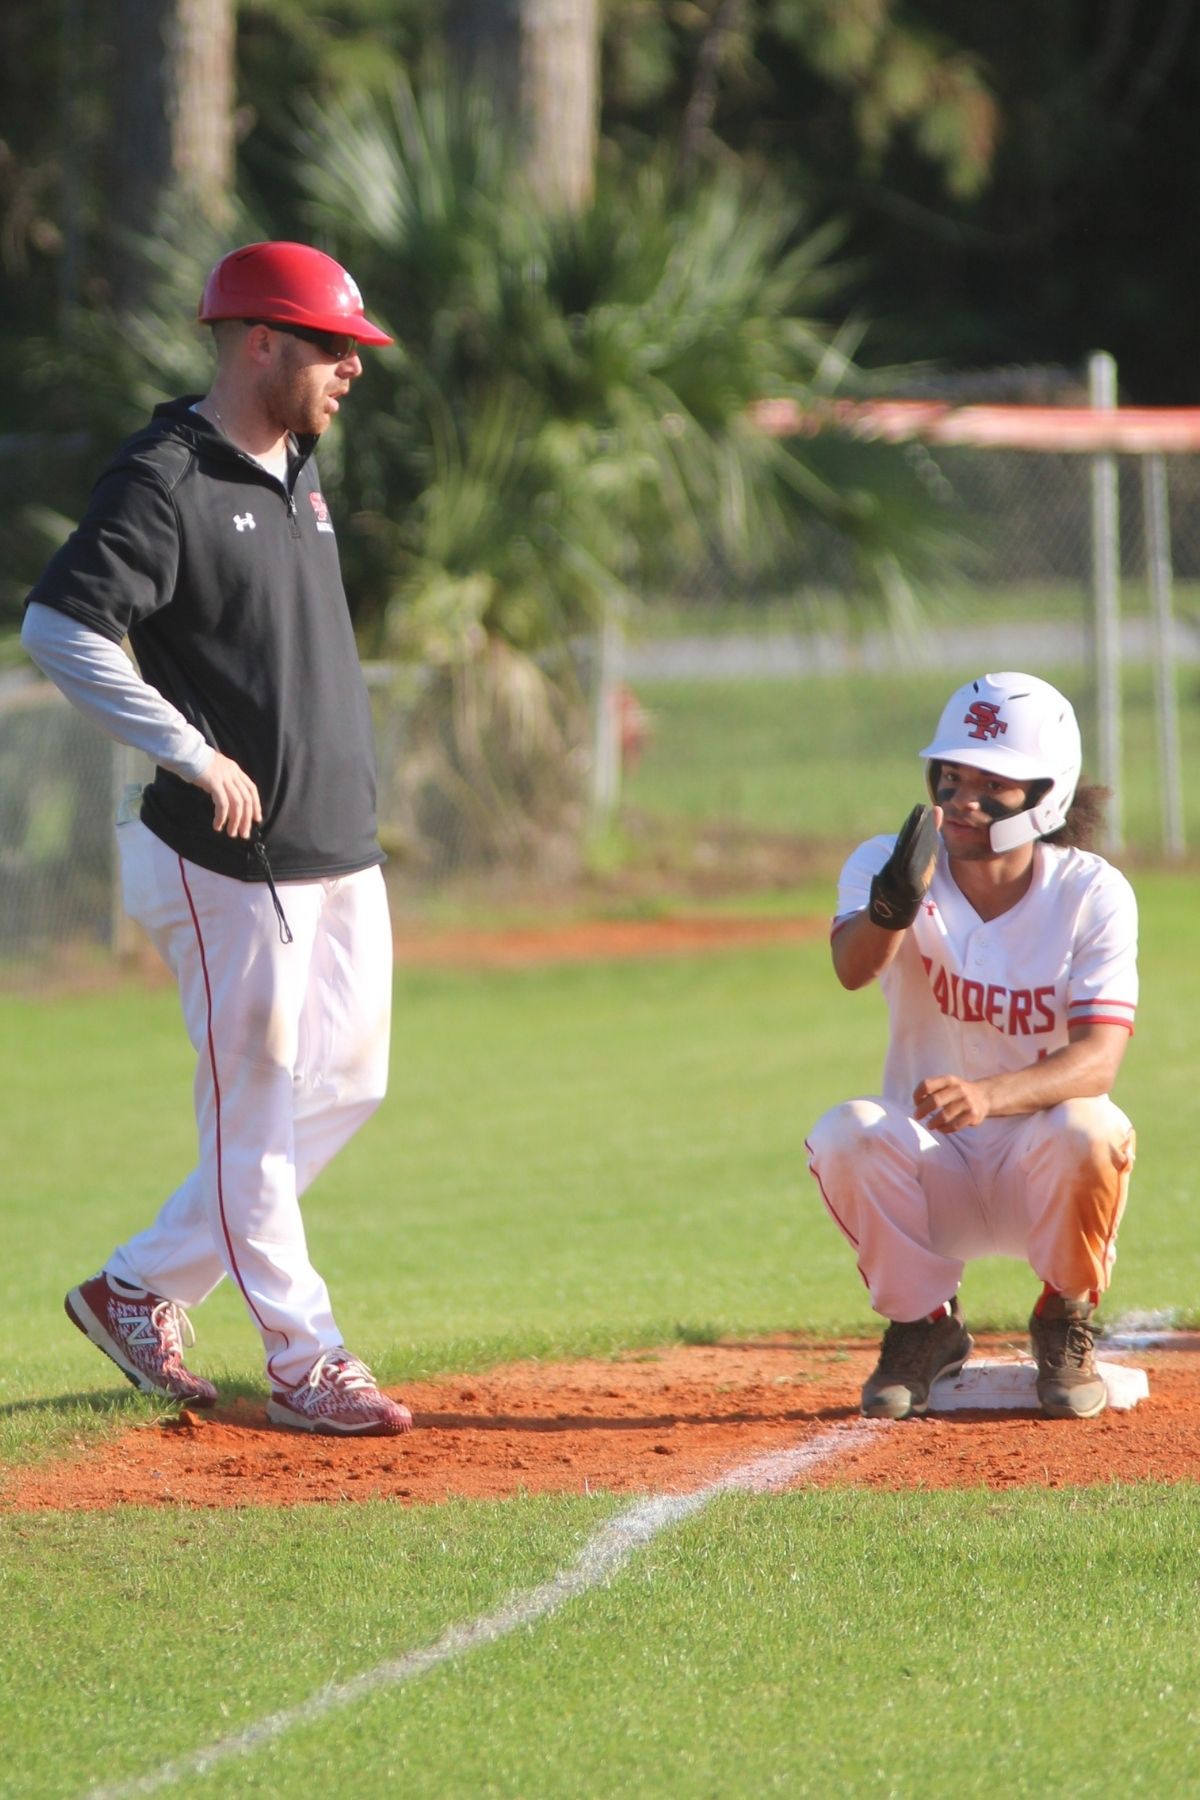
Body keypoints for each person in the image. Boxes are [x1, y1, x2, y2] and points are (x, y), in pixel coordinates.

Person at [21, 241, 413, 1436]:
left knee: (349, 1082)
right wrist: (187, 751)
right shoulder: (164, 477)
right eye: (333, 348)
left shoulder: (296, 466)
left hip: (338, 849)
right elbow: (60, 628)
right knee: (253, 1107)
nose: (351, 369)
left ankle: (138, 1286)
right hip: (225, 864)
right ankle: (309, 1357)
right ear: (260, 342)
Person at [806, 672, 1137, 1422]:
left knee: (1090, 1125)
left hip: (1042, 1168)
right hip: (934, 1170)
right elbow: (853, 970)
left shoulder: (1091, 893)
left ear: (1045, 797)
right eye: (951, 776)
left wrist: (990, 1096)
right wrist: (892, 905)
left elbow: (1099, 1060)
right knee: (846, 1133)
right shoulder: (886, 866)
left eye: (993, 783)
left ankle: (1063, 1316)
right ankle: (924, 1328)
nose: (961, 797)